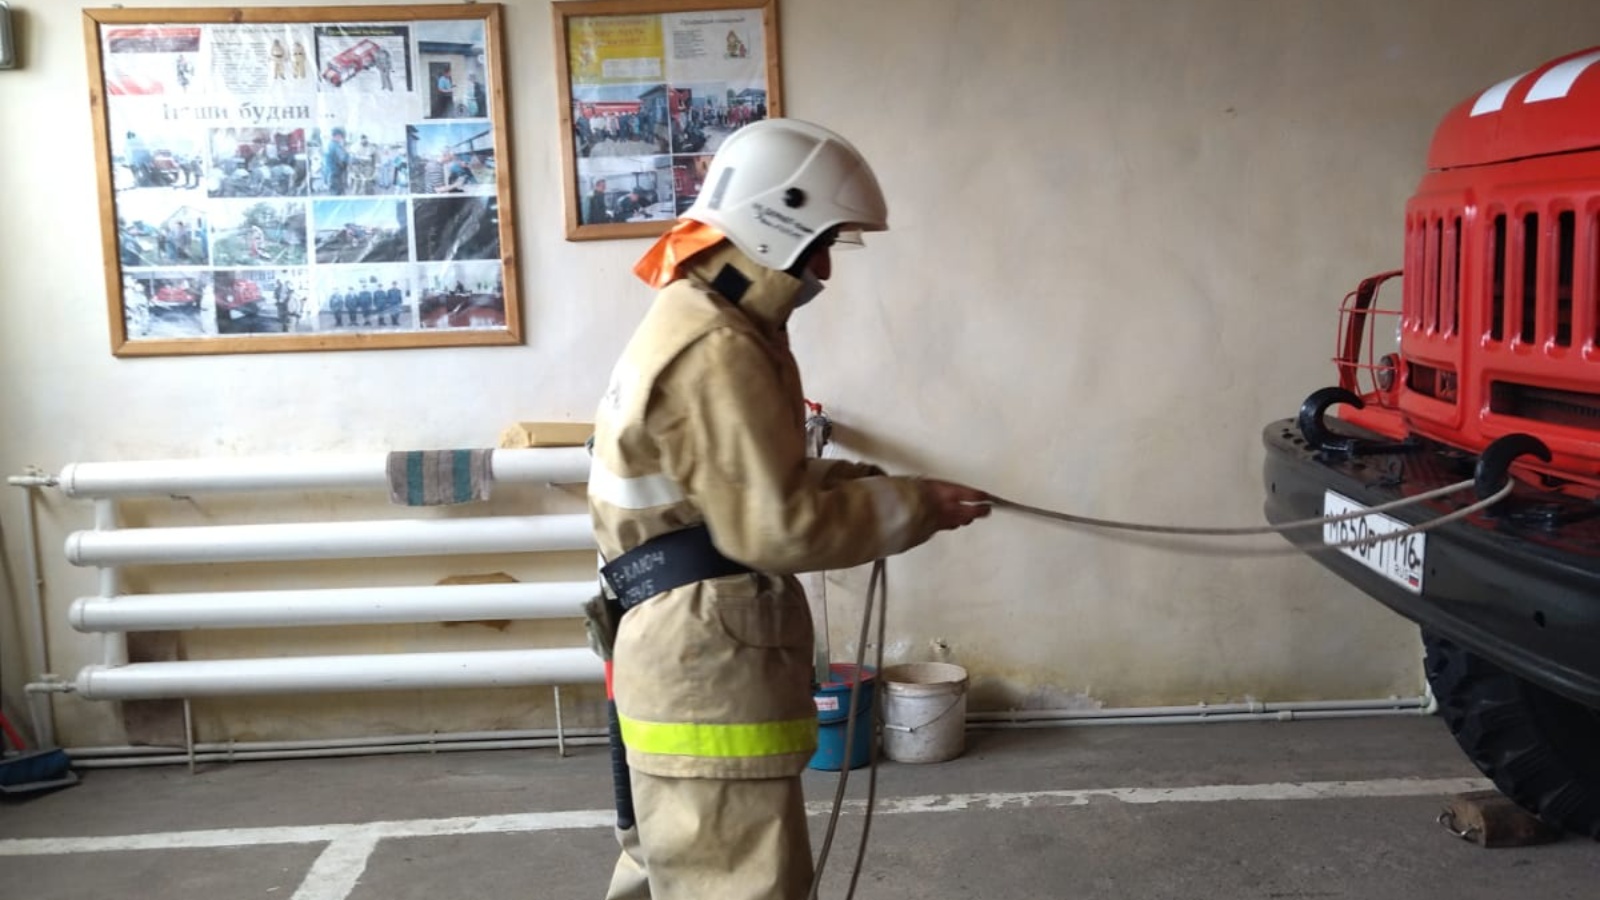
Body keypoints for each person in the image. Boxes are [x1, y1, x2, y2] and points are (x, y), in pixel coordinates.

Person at [587, 118, 991, 900]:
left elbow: (737, 480)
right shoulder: (718, 346)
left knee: (676, 866)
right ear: (775, 226)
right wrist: (913, 507)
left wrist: (863, 483)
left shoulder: (694, 318)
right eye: (821, 243)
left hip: (671, 646)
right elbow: (774, 526)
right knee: (733, 879)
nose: (826, 269)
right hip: (705, 658)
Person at [323, 127, 349, 195]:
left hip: (329, 173)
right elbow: (343, 158)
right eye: (341, 137)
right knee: (337, 193)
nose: (341, 139)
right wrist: (349, 156)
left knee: (332, 193)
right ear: (338, 136)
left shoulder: (328, 145)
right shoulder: (336, 146)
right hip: (336, 174)